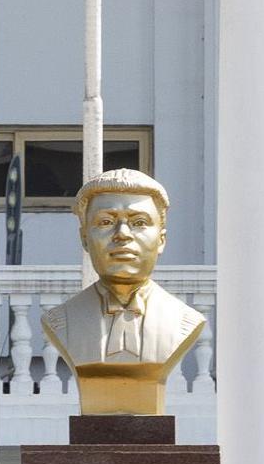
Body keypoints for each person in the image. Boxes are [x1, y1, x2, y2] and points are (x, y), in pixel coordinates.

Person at [40, 168, 205, 417]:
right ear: (84, 238)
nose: (122, 235)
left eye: (139, 223)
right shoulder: (60, 321)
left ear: (161, 240)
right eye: (106, 222)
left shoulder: (184, 321)